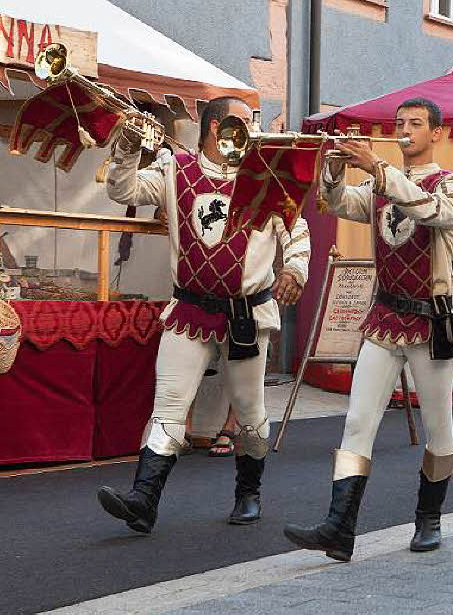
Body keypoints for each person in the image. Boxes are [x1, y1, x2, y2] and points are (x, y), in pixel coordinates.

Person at [98, 97, 309, 532]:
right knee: (168, 407)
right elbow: (122, 190)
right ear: (215, 127)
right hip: (190, 310)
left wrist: (294, 267)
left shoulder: (265, 177)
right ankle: (144, 499)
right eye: (242, 120)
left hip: (246, 315)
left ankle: (248, 493)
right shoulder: (174, 170)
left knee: (250, 415)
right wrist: (128, 146)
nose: (253, 127)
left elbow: (298, 233)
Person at [283, 98, 453, 559]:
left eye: (415, 124)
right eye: (400, 123)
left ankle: (429, 519)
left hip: (431, 321)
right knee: (357, 419)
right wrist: (331, 168)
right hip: (385, 316)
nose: (404, 130)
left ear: (437, 134)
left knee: (439, 426)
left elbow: (436, 213)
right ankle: (339, 526)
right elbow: (334, 203)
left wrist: (380, 169)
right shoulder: (378, 185)